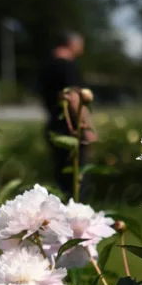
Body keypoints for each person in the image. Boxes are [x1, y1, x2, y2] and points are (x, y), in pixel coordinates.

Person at [38, 31, 95, 197]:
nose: (82, 49)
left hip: (53, 125)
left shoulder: (47, 64)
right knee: (77, 179)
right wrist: (86, 127)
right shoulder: (67, 66)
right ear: (72, 44)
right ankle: (77, 210)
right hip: (71, 129)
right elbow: (73, 98)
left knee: (61, 176)